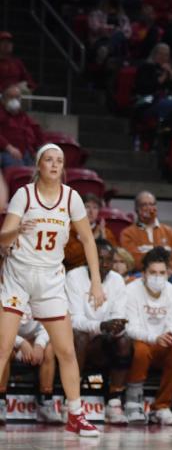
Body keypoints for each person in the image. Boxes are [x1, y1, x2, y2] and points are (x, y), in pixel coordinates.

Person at [0, 143, 103, 436]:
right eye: (49, 160)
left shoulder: (71, 198)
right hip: (18, 276)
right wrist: (16, 231)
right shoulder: (25, 194)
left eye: (60, 160)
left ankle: (75, 415)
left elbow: (87, 240)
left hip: (50, 280)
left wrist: (95, 280)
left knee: (66, 351)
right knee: (3, 347)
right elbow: (3, 237)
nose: (55, 164)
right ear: (39, 165)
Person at [122, 246, 172, 425]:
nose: (157, 277)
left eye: (161, 272)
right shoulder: (131, 290)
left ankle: (162, 406)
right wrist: (154, 338)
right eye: (152, 272)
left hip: (162, 344)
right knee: (141, 349)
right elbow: (130, 327)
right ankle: (133, 401)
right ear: (143, 273)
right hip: (138, 343)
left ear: (168, 273)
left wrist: (171, 336)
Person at [67, 238, 131, 425]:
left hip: (104, 339)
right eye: (99, 258)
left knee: (125, 340)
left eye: (108, 260)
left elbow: (119, 315)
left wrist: (117, 326)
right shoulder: (74, 277)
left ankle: (114, 401)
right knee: (79, 337)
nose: (104, 264)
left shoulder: (117, 280)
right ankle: (72, 401)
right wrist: (101, 326)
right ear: (89, 258)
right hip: (77, 340)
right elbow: (74, 319)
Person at [119, 190, 172, 274]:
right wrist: (153, 270)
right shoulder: (128, 233)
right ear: (136, 209)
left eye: (152, 204)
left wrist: (164, 270)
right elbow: (132, 260)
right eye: (144, 205)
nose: (149, 208)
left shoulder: (171, 232)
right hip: (140, 275)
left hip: (169, 274)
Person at [63, 193, 118, 269]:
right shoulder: (70, 229)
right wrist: (91, 239)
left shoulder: (105, 232)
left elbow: (115, 258)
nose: (91, 211)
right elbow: (69, 258)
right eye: (87, 207)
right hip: (75, 271)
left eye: (95, 208)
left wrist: (105, 241)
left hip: (101, 272)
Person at [0, 83, 43, 168]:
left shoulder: (23, 116)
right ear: (3, 100)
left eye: (17, 97)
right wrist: (9, 148)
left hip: (26, 153)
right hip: (7, 153)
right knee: (20, 172)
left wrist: (37, 150)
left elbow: (37, 131)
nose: (15, 100)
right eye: (11, 97)